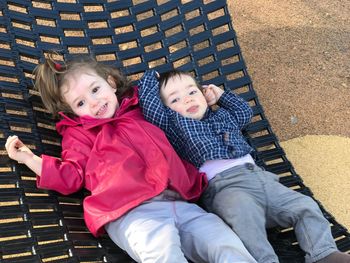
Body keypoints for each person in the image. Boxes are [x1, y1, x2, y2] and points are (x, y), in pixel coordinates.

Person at [4, 54, 257, 263]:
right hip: (130, 212)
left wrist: (207, 97)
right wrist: (29, 159)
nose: (94, 102)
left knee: (224, 242)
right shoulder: (79, 135)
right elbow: (71, 175)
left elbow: (177, 104)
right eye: (81, 103)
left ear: (111, 83)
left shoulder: (142, 107)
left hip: (181, 201)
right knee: (163, 252)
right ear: (73, 112)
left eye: (96, 89)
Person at [138, 70, 350, 263]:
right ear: (167, 109)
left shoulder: (223, 116)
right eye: (175, 99)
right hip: (226, 188)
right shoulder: (175, 127)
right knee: (243, 216)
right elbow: (151, 108)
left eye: (192, 91)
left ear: (204, 95)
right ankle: (265, 260)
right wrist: (150, 77)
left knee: (305, 206)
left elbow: (244, 112)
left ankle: (323, 253)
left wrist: (220, 96)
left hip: (262, 179)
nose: (187, 99)